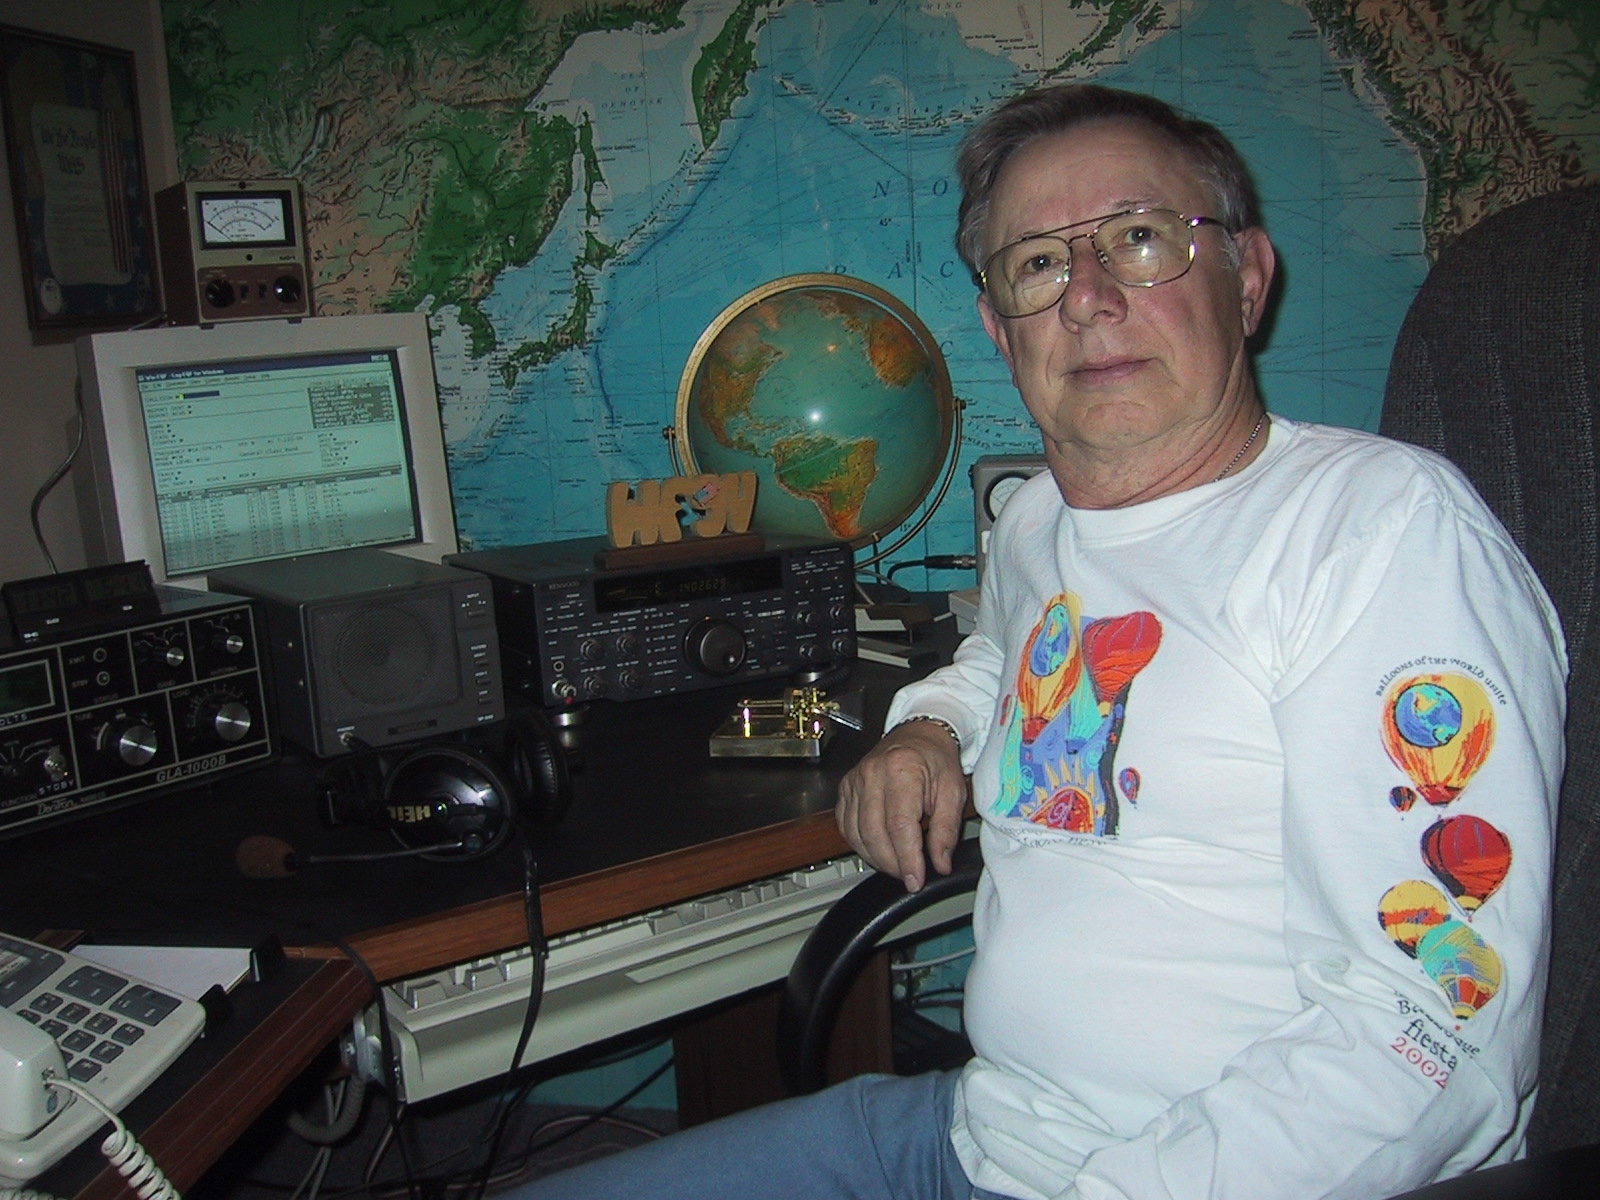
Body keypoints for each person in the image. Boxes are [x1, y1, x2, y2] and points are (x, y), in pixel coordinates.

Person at [512, 84, 1566, 1200]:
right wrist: (929, 727)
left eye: (1140, 239)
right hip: (987, 1132)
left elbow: (1429, 1030)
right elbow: (1002, 651)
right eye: (1039, 264)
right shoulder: (1037, 523)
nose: (1089, 298)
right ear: (999, 327)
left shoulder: (1378, 536)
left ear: (1247, 277)